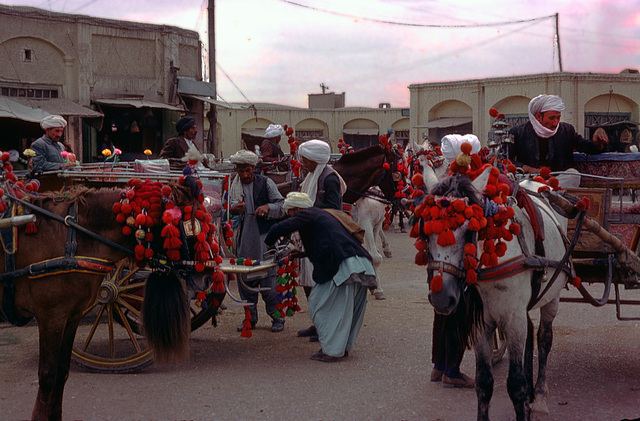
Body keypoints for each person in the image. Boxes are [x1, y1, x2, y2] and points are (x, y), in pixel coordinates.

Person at [265, 192, 378, 362]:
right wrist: (302, 253)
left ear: (296, 209)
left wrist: (269, 242)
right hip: (358, 263)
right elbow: (326, 239)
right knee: (346, 311)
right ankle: (340, 348)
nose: (290, 217)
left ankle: (332, 351)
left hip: (343, 266)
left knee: (321, 305)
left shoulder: (307, 214)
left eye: (290, 213)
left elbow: (278, 229)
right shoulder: (321, 215)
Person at [228, 149, 286, 333]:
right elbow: (221, 211)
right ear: (236, 169)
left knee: (269, 284)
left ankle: (277, 318)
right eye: (240, 171)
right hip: (241, 240)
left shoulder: (266, 183)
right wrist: (232, 211)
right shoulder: (230, 186)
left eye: (247, 170)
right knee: (245, 283)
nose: (244, 175)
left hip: (264, 240)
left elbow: (282, 205)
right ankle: (249, 319)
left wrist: (268, 207)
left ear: (253, 168)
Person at [295, 139, 348, 341]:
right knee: (310, 284)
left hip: (323, 237)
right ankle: (318, 322)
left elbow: (333, 210)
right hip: (310, 235)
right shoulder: (312, 176)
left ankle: (325, 326)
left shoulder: (329, 179)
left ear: (315, 159)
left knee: (322, 284)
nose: (303, 164)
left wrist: (309, 214)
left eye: (305, 160)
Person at [507, 94, 608, 174]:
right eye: (551, 118)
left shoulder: (567, 130)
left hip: (559, 181)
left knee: (573, 175)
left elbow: (588, 147)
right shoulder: (518, 132)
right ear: (538, 117)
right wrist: (528, 169)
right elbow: (505, 160)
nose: (555, 123)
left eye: (558, 118)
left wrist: (598, 141)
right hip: (530, 180)